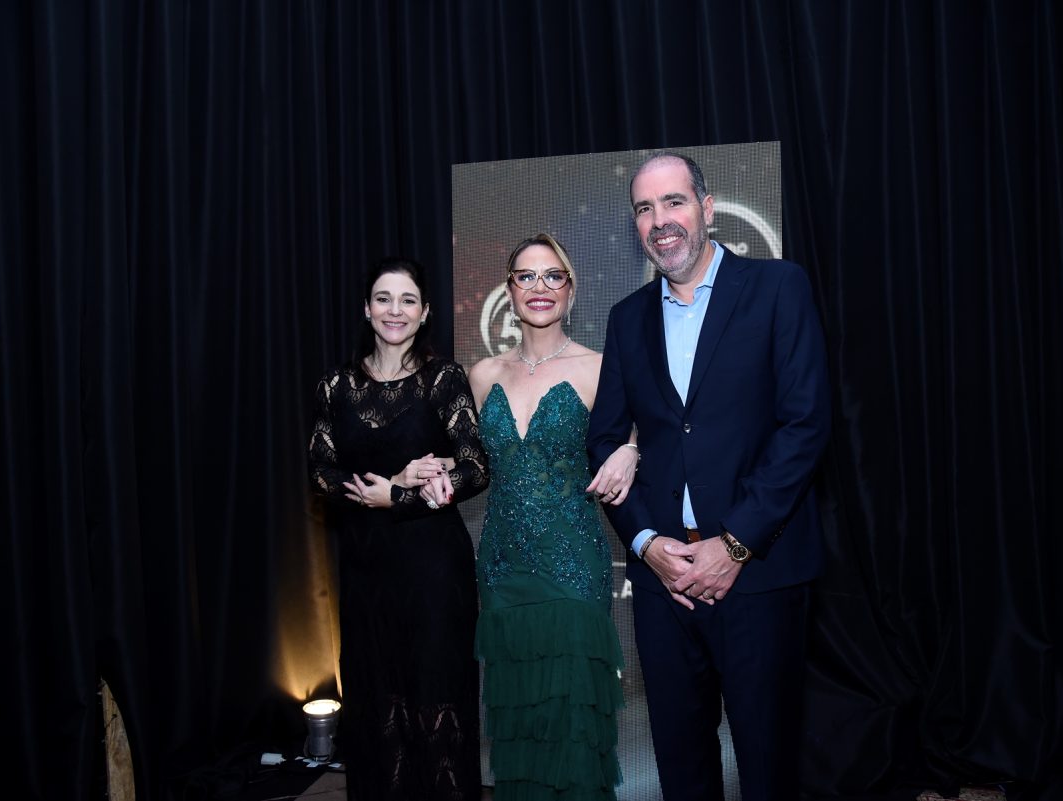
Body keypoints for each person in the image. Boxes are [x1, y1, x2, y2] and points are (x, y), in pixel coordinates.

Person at [586, 153, 832, 801]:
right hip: (664, 584)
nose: (660, 220)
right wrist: (646, 544)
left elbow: (805, 425)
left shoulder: (778, 287)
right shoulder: (627, 318)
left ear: (707, 207)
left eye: (674, 202)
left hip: (759, 577)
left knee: (768, 768)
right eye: (644, 209)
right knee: (682, 769)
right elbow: (605, 441)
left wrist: (736, 543)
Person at [451, 233, 636, 801]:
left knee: (573, 724)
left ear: (571, 290)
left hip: (573, 567)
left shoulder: (600, 368)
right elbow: (470, 464)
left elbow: (651, 438)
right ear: (509, 291)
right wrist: (424, 472)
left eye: (553, 276)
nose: (540, 287)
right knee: (521, 722)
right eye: (526, 276)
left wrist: (634, 449)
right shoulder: (481, 375)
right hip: (503, 568)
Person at [308, 257, 489, 801]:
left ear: (425, 312)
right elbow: (319, 472)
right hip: (366, 569)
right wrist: (388, 485)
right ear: (367, 309)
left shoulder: (444, 379)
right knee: (374, 697)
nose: (395, 310)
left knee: (437, 695)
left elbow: (476, 467)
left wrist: (401, 497)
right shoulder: (336, 385)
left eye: (408, 300)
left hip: (434, 570)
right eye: (383, 298)